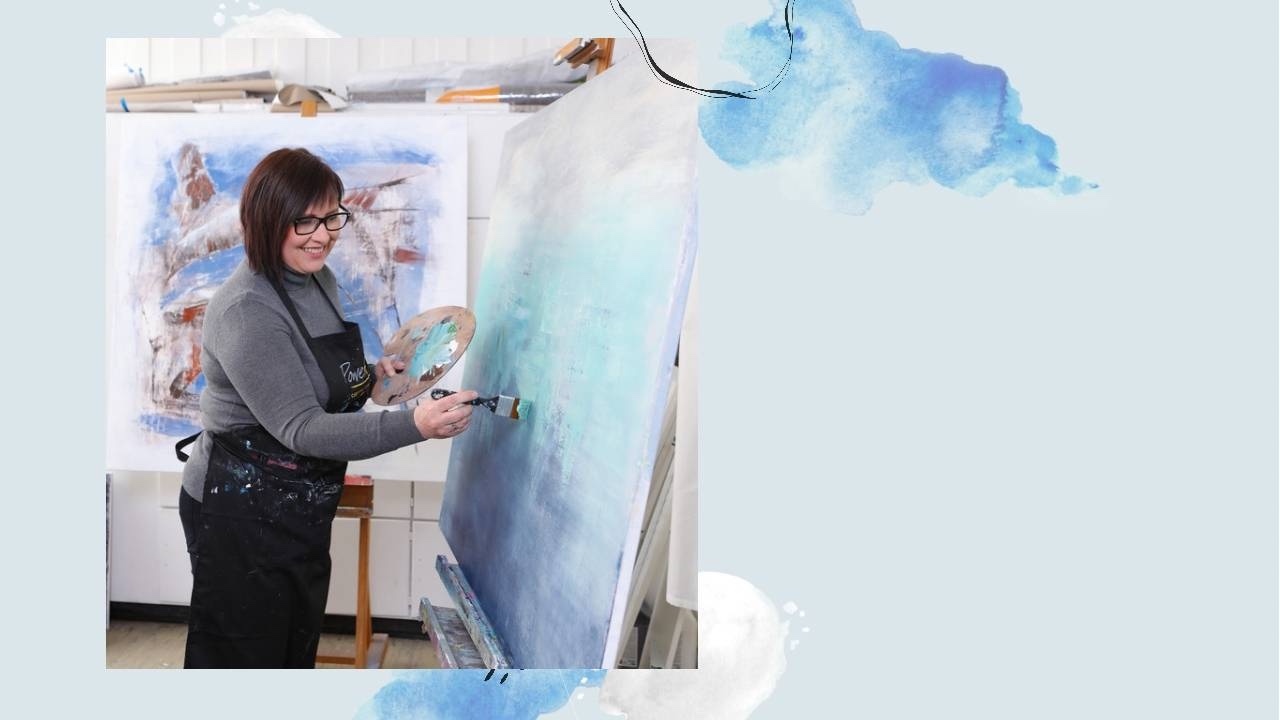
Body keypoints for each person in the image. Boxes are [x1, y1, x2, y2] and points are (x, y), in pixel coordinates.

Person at [173, 147, 477, 668]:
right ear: (266, 220)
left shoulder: (318, 280)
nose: (322, 235)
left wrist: (370, 376)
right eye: (304, 221)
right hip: (237, 512)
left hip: (294, 503)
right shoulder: (247, 310)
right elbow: (304, 429)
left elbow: (314, 379)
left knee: (292, 650)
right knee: (243, 662)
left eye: (332, 216)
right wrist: (416, 425)